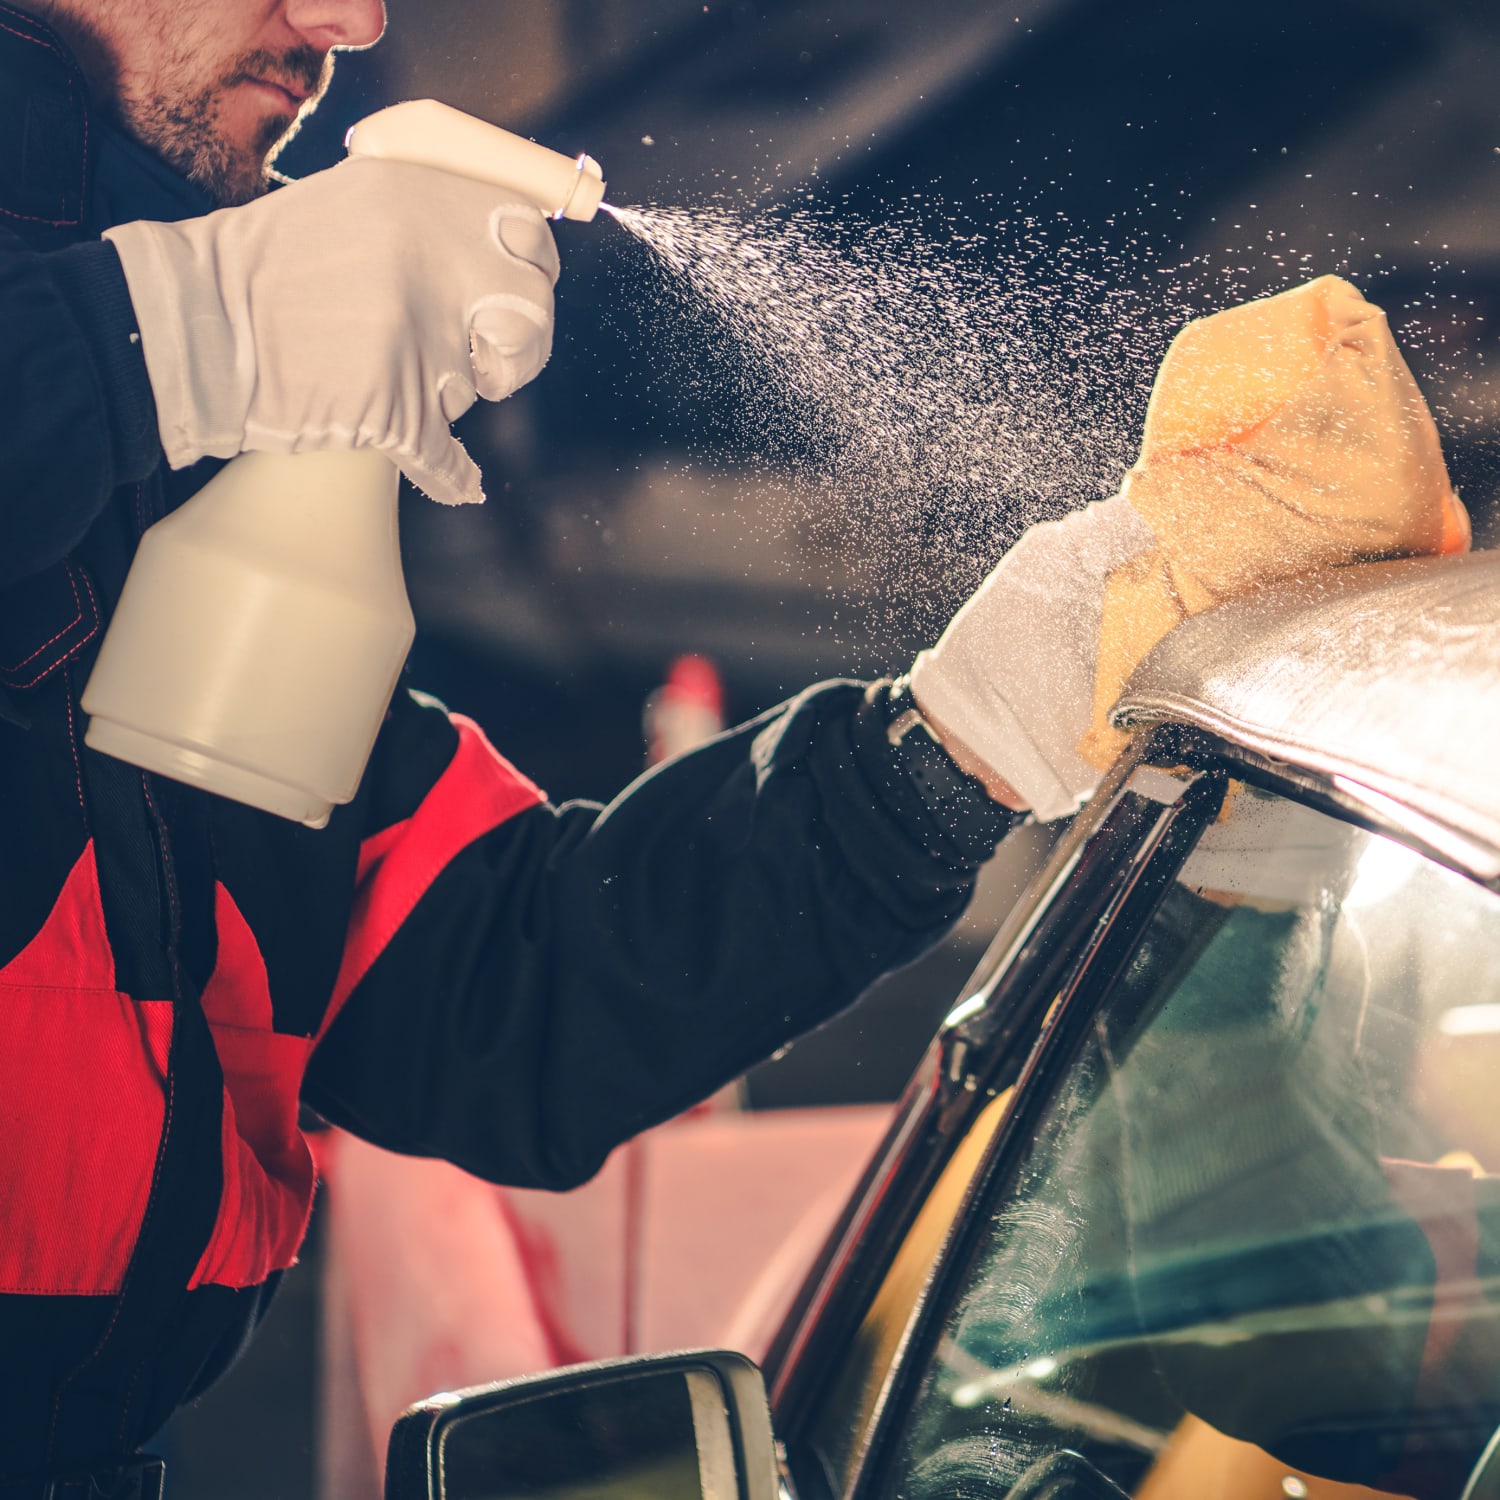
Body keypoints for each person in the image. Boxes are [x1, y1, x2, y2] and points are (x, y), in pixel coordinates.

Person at [0, 0, 1467, 1483]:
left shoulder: (152, 499)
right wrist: (163, 334)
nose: (349, 17)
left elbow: (496, 987)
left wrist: (963, 732)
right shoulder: (127, 370)